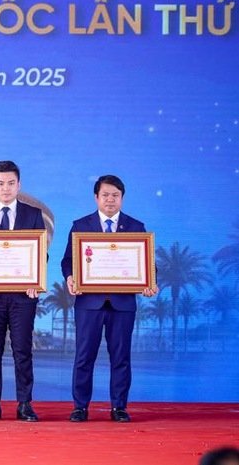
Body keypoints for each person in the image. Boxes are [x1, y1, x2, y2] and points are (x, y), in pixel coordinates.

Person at [61, 175, 157, 423]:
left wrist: (149, 282)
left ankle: (119, 407)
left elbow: (147, 264)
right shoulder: (80, 225)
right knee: (84, 356)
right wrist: (70, 277)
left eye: (115, 195)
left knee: (121, 357)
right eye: (105, 195)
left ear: (122, 198)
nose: (110, 200)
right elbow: (67, 260)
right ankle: (80, 407)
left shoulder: (136, 227)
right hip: (88, 303)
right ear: (96, 197)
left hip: (122, 304)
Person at [0, 160, 45, 422]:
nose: (6, 188)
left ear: (19, 185)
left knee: (23, 351)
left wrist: (35, 279)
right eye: (1, 183)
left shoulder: (33, 214)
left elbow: (41, 254)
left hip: (24, 296)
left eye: (11, 183)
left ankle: (25, 403)